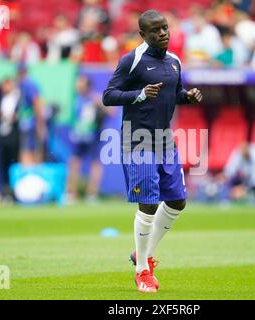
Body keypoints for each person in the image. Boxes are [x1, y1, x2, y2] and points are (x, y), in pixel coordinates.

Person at [102, 10, 202, 293]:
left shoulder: (174, 61)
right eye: (155, 30)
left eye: (165, 28)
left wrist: (188, 97)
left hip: (164, 140)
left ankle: (140, 254)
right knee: (148, 203)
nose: (163, 33)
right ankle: (142, 270)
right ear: (143, 35)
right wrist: (140, 94)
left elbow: (176, 92)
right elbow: (108, 95)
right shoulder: (131, 60)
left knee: (177, 201)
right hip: (137, 140)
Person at [66, 76, 111, 203]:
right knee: (74, 163)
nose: (78, 86)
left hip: (93, 136)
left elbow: (111, 112)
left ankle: (92, 194)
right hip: (79, 136)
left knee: (95, 164)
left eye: (81, 83)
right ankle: (70, 194)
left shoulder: (95, 98)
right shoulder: (76, 100)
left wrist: (100, 105)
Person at [222, 142, 255, 210]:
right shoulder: (238, 153)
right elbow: (230, 169)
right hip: (250, 176)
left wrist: (244, 188)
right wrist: (224, 177)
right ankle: (227, 199)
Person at [0, 78, 21, 201]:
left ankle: (14, 190)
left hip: (14, 136)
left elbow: (22, 115)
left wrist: (15, 118)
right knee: (3, 164)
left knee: (14, 163)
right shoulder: (0, 99)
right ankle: (4, 191)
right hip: (2, 135)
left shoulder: (18, 98)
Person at [16, 63, 46, 165]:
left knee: (31, 150)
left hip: (31, 123)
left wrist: (40, 124)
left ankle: (31, 175)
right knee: (26, 149)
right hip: (25, 123)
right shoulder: (21, 85)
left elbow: (37, 103)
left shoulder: (29, 85)